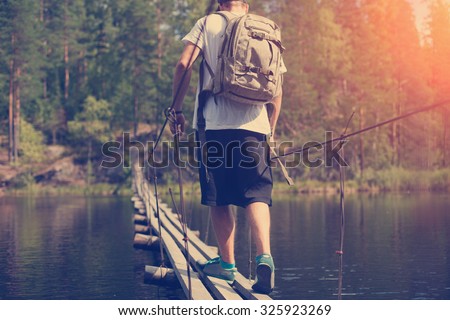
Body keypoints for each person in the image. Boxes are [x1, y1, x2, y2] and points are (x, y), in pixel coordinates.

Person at [170, 0, 286, 294]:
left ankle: (227, 264)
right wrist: (269, 127)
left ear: (220, 3)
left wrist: (176, 109)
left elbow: (184, 64)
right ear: (245, 5)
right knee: (257, 194)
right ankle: (265, 257)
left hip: (214, 125)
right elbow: (277, 88)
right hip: (256, 126)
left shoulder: (207, 23)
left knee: (219, 196)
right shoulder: (266, 29)